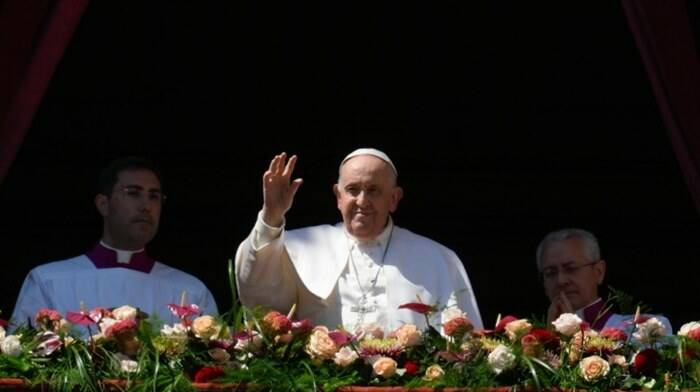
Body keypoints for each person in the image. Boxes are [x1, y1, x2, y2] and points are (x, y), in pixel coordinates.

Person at [235, 148, 482, 332]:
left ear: (394, 199)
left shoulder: (436, 258)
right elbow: (257, 292)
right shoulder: (296, 248)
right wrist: (271, 216)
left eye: (374, 190)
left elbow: (463, 343)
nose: (362, 201)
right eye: (353, 190)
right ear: (338, 196)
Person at [11, 157, 218, 327]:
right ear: (103, 204)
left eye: (154, 196)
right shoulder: (48, 282)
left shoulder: (190, 292)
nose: (146, 206)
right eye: (133, 193)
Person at [537, 228, 671, 332]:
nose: (561, 280)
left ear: (599, 272)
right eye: (550, 273)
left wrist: (576, 334)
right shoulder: (526, 347)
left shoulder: (646, 329)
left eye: (571, 269)